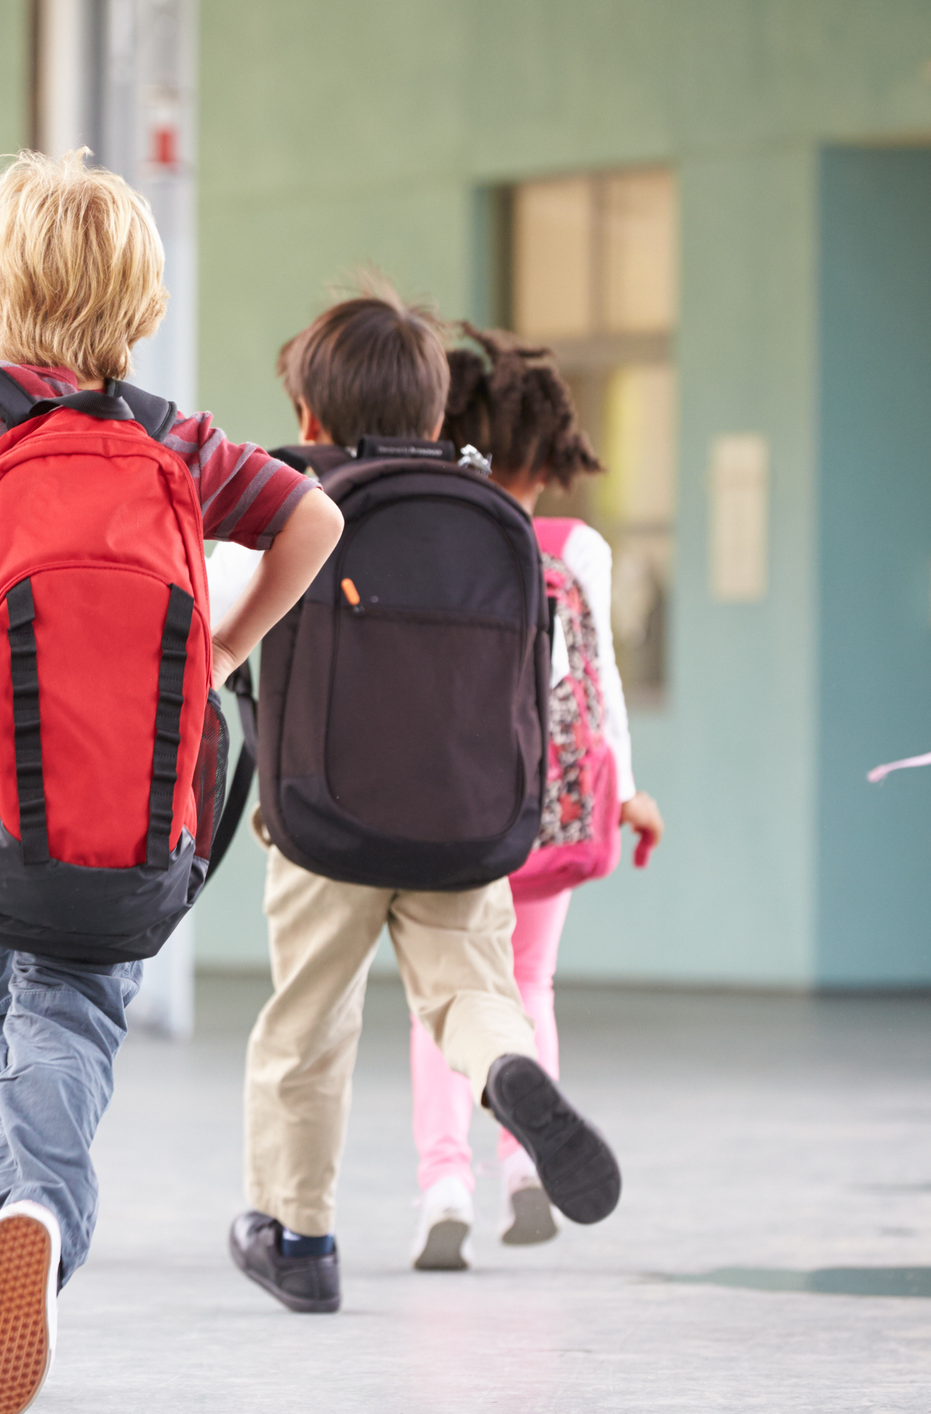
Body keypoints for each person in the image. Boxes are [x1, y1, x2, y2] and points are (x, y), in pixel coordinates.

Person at [0, 150, 341, 1408]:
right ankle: (34, 1202)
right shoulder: (174, 441)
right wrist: (224, 650)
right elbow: (315, 520)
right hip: (131, 804)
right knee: (75, 1012)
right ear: (140, 311)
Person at [229, 290, 622, 1316]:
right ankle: (506, 1069)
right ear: (439, 417)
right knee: (469, 992)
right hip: (463, 818)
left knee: (306, 1026)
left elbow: (225, 622)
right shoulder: (488, 511)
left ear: (310, 416)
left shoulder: (296, 499)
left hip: (324, 821)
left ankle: (298, 1235)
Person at [403, 326, 666, 1269]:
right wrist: (627, 793)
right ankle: (525, 1167)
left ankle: (443, 1183)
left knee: (440, 999)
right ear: (552, 452)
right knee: (525, 986)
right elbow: (598, 682)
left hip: (450, 804)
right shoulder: (578, 546)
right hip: (549, 807)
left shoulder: (438, 531)